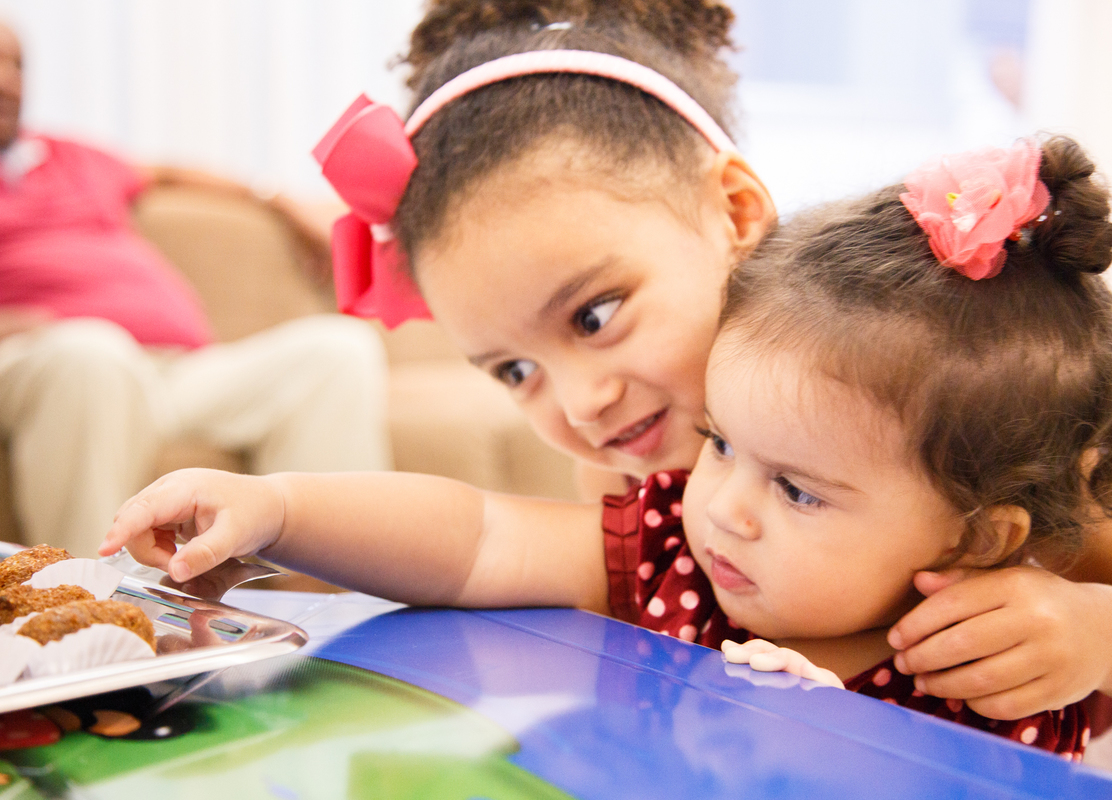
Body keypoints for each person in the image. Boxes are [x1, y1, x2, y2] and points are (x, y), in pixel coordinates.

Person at [102, 136, 1111, 758]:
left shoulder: (1019, 645)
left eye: (798, 489)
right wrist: (277, 507)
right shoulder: (680, 553)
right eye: (721, 441)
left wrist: (1099, 635)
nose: (727, 505)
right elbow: (477, 535)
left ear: (981, 536)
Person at [312, 0, 1112, 729]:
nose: (582, 404)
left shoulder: (955, 405)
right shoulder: (637, 481)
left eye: (595, 315)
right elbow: (499, 549)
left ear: (734, 212)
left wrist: (1094, 633)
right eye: (515, 372)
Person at [0, 17, 391, 556]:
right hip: (38, 363)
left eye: (16, 64)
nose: (1, 79)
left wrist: (278, 200)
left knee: (335, 351)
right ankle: (101, 613)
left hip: (172, 371)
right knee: (92, 354)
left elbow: (166, 173)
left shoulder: (69, 155)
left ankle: (336, 606)